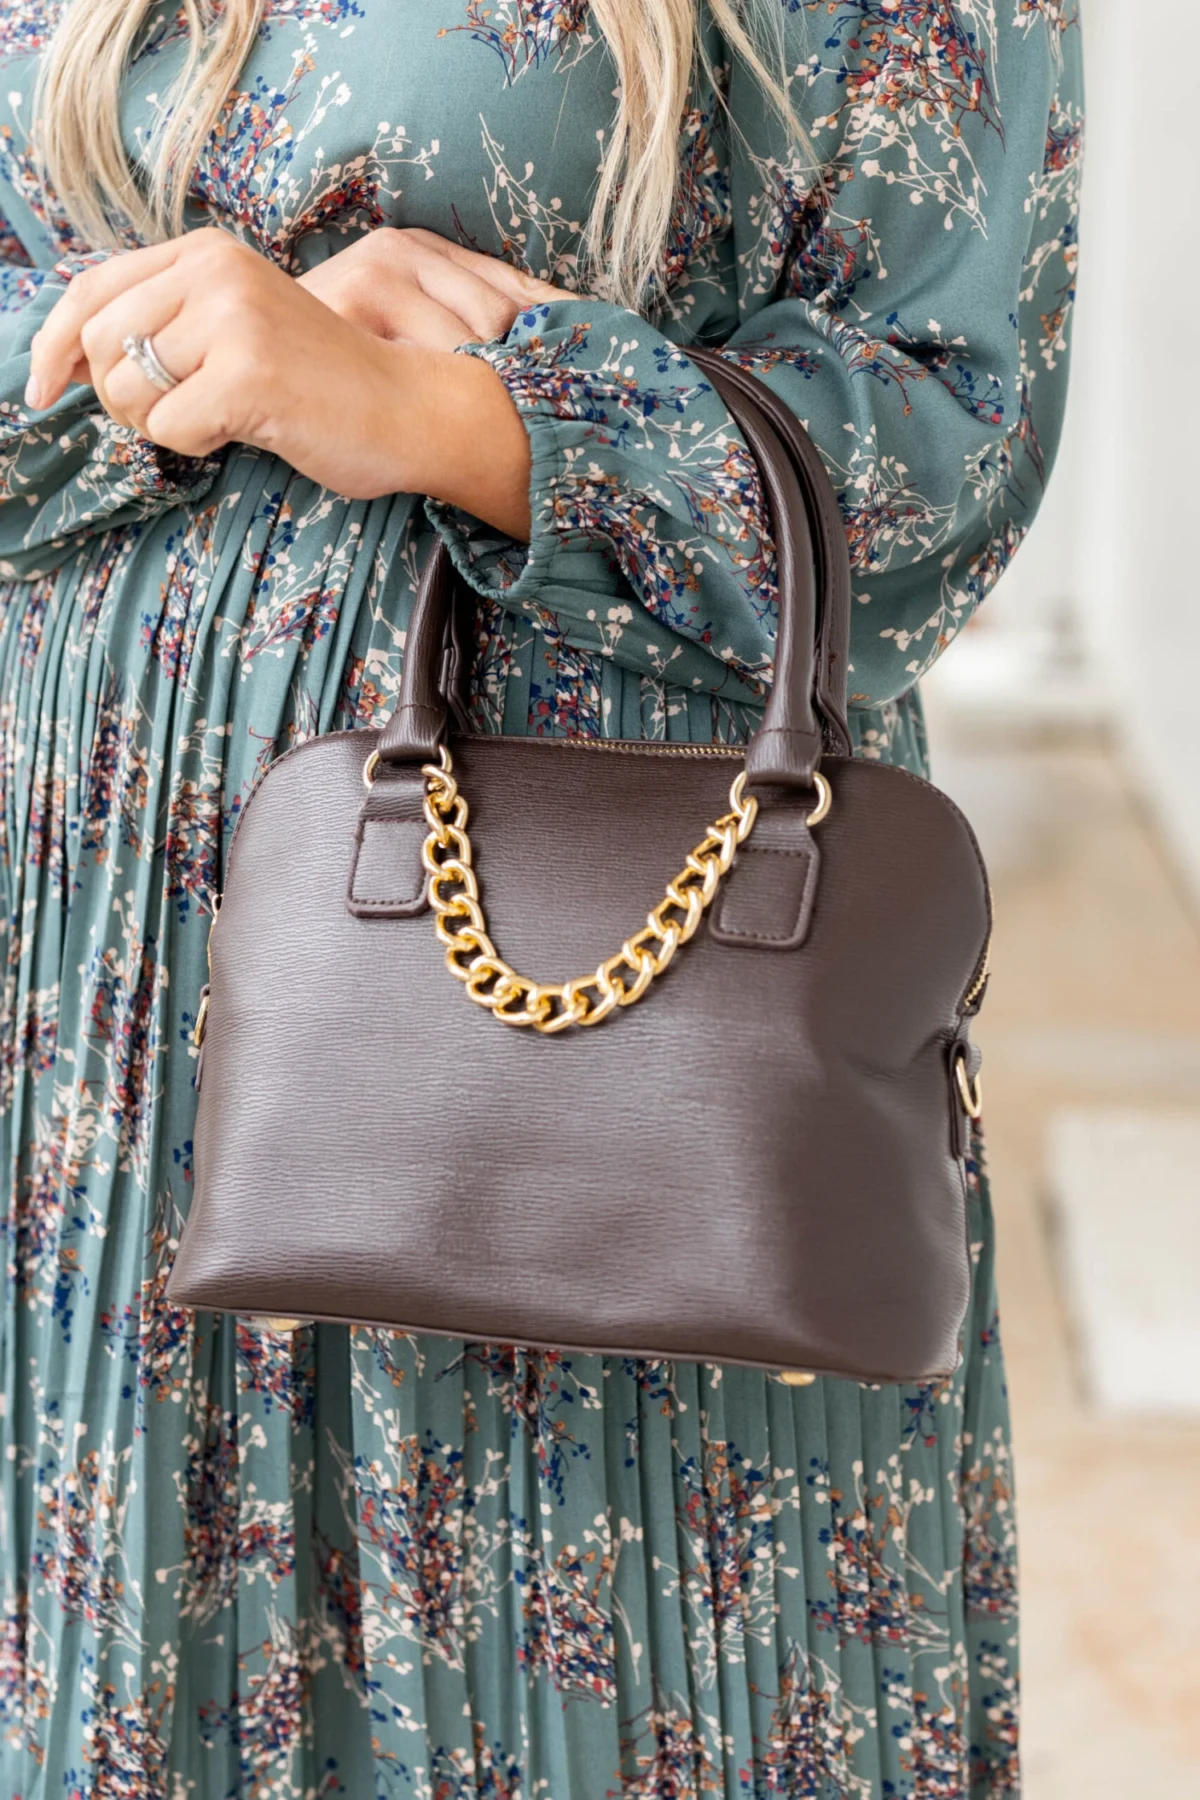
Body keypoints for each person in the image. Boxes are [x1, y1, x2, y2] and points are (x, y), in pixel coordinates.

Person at [0, 2, 1081, 1794]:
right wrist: (155, 352)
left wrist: (455, 413)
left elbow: (938, 460)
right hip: (87, 1002)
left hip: (589, 1013)